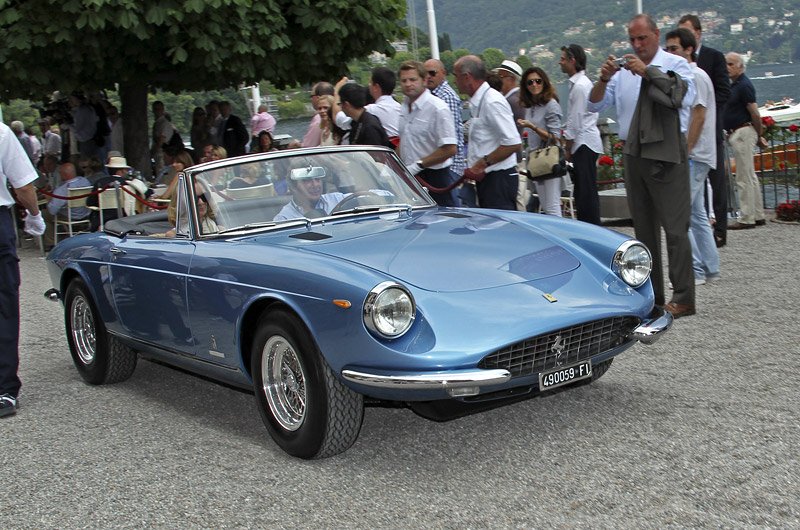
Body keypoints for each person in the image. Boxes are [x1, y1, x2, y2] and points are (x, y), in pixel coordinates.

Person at [588, 14, 696, 319]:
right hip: (633, 152)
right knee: (643, 230)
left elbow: (683, 96)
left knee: (675, 229)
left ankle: (685, 297)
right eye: (632, 40)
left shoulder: (675, 64)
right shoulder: (623, 72)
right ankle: (653, 296)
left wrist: (648, 71)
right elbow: (594, 104)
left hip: (665, 150)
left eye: (642, 39)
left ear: (656, 35)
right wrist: (604, 78)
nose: (637, 45)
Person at [665, 28, 721, 286]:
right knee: (697, 213)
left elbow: (698, 114)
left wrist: (685, 150)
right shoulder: (695, 75)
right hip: (699, 153)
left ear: (689, 49)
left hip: (694, 154)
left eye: (674, 48)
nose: (669, 53)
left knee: (680, 213)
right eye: (667, 48)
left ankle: (696, 271)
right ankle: (710, 268)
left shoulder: (694, 76)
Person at [1, 121, 46, 417]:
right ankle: (3, 389)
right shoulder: (1, 132)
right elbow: (24, 186)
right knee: (3, 306)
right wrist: (34, 214)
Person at [679, 14, 731, 247]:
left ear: (698, 34)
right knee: (697, 198)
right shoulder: (678, 65)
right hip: (690, 132)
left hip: (709, 130)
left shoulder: (713, 58)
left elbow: (723, 92)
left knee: (717, 181)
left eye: (687, 31)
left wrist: (707, 116)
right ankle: (705, 237)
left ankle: (720, 228)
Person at [453, 55, 522, 211]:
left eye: (456, 76)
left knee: (500, 229)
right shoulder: (481, 101)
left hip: (498, 179)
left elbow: (512, 143)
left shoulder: (492, 101)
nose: (455, 81)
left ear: (466, 77)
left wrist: (481, 164)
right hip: (490, 179)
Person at [397, 60, 458, 206]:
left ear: (424, 81)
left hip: (435, 177)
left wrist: (419, 165)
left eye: (413, 79)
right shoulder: (403, 107)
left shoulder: (437, 108)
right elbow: (404, 141)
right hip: (410, 176)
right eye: (404, 80)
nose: (408, 84)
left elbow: (450, 148)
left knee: (441, 222)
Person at [559, 44, 603, 224]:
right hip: (587, 142)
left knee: (585, 194)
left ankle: (592, 227)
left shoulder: (579, 87)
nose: (560, 62)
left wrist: (567, 148)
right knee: (585, 191)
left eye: (563, 58)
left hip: (583, 144)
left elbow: (575, 121)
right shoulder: (582, 84)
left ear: (572, 60)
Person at [723, 52, 767, 230]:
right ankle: (757, 214)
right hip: (739, 132)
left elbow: (755, 113)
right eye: (726, 63)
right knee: (750, 175)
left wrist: (758, 134)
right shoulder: (737, 85)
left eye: (731, 64)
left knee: (743, 177)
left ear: (741, 67)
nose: (727, 67)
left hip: (743, 132)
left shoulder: (743, 86)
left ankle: (746, 217)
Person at [517, 66, 564, 216]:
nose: (534, 85)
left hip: (549, 159)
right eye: (530, 83)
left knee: (552, 206)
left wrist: (533, 127)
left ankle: (560, 236)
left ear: (544, 82)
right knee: (544, 204)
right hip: (536, 160)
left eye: (538, 81)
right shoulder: (532, 107)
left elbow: (555, 137)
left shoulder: (551, 105)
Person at [424, 58, 469, 206]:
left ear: (443, 73)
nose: (428, 76)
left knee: (450, 208)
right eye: (425, 73)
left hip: (449, 165)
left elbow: (451, 136)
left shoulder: (446, 96)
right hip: (439, 164)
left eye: (432, 73)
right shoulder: (430, 96)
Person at [335, 68, 402, 145]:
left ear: (376, 87)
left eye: (370, 82)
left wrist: (337, 91)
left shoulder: (371, 111)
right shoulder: (400, 107)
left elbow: (340, 120)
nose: (368, 85)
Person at [42, 162, 92, 248]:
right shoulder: (85, 181)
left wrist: (49, 199)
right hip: (85, 213)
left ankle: (50, 242)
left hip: (70, 216)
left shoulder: (62, 190)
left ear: (64, 174)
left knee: (44, 214)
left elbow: (52, 211)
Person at [273, 166, 347, 221]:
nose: (315, 185)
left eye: (317, 179)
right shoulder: (284, 218)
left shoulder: (337, 199)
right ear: (293, 187)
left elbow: (358, 198)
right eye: (307, 180)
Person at [338, 83, 395, 148]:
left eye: (340, 104)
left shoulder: (370, 126)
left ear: (346, 104)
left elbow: (374, 154)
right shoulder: (356, 122)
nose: (341, 107)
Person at [302, 82, 335, 147]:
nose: (322, 111)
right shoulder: (324, 128)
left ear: (317, 97)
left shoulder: (318, 119)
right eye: (320, 109)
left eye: (325, 108)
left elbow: (309, 146)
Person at [151, 100, 175, 175]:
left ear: (163, 109)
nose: (157, 111)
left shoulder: (164, 123)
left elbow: (161, 140)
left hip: (163, 154)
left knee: (162, 175)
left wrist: (152, 152)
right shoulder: (157, 123)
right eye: (155, 109)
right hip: (158, 155)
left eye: (159, 109)